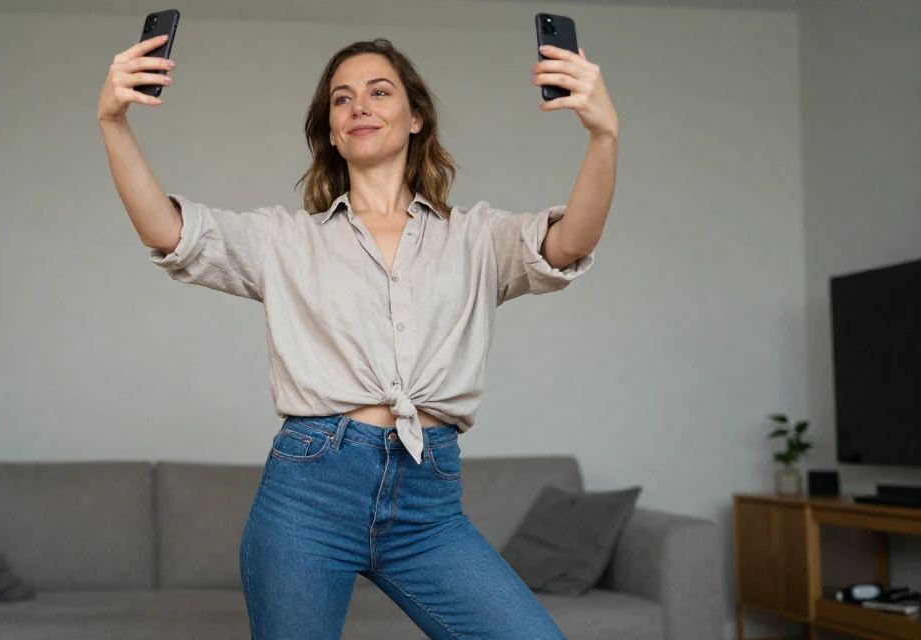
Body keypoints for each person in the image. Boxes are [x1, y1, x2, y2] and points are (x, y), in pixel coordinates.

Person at [97, 34, 616, 640]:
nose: (359, 107)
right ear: (332, 133)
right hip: (308, 499)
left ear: (416, 117)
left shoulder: (478, 238)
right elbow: (168, 232)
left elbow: (570, 243)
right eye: (341, 100)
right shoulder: (286, 241)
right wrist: (112, 122)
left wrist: (602, 134)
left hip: (429, 507)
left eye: (379, 91)